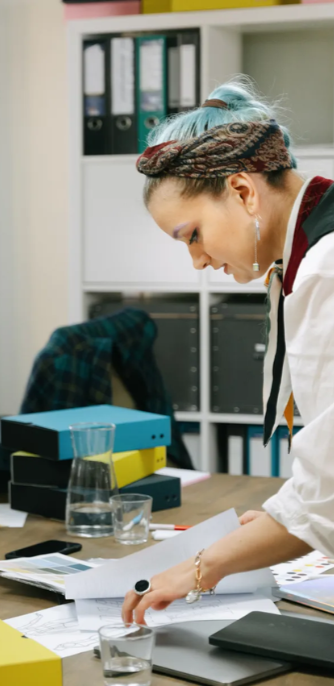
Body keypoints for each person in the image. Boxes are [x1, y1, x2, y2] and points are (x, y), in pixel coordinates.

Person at [121, 78, 331, 625]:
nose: (197, 260)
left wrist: (198, 569)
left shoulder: (326, 271)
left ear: (242, 191)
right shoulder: (311, 251)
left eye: (192, 235)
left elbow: (328, 495)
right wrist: (282, 518)